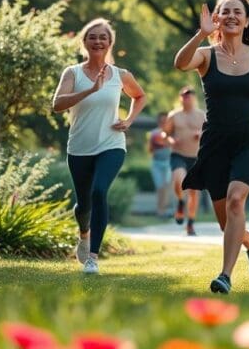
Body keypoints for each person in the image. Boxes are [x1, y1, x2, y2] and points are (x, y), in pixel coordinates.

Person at [174, 0, 249, 294]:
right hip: (215, 143)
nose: (231, 16)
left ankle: (225, 276)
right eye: (225, 12)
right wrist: (201, 33)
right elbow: (180, 63)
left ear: (247, 19)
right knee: (229, 227)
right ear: (217, 19)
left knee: (237, 198)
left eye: (237, 12)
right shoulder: (206, 55)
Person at [52, 18, 146, 274]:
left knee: (99, 191)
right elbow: (57, 104)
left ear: (109, 43)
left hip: (111, 144)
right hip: (79, 147)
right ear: (84, 42)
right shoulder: (72, 73)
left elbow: (140, 96)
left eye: (102, 37)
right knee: (83, 205)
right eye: (92, 37)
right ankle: (84, 234)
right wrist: (91, 89)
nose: (97, 41)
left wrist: (128, 120)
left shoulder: (121, 75)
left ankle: (93, 256)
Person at [164, 86, 205, 236]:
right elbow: (165, 134)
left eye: (190, 95)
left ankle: (191, 224)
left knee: (194, 192)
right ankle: (181, 202)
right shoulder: (174, 115)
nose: (187, 97)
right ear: (180, 98)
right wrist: (171, 139)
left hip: (196, 157)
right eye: (184, 95)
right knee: (179, 181)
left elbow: (210, 133)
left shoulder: (202, 115)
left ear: (194, 98)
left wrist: (200, 134)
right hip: (178, 155)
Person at [147, 111, 172, 217]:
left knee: (166, 187)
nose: (163, 122)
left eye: (165, 121)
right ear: (158, 121)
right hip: (157, 163)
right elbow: (150, 149)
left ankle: (163, 210)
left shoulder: (172, 134)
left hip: (168, 163)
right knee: (159, 187)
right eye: (161, 121)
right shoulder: (153, 133)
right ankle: (160, 210)